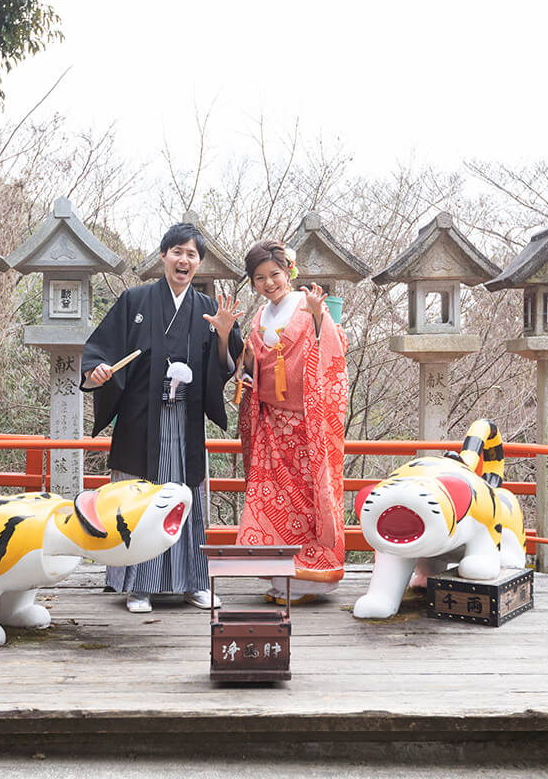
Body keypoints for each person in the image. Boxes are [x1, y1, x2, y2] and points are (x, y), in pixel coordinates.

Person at [81, 222, 242, 613]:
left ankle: (194, 583)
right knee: (142, 499)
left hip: (185, 422)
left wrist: (223, 336)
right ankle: (139, 586)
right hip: (141, 421)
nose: (183, 260)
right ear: (163, 257)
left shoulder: (207, 309)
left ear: (199, 263)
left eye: (191, 254)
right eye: (177, 252)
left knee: (187, 498)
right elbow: (100, 352)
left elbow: (229, 364)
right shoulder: (134, 301)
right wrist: (100, 371)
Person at [235, 239, 348, 603]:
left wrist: (318, 318)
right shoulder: (259, 317)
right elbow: (252, 367)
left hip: (305, 426)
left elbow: (333, 353)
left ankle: (311, 578)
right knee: (269, 502)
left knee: (306, 502)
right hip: (272, 425)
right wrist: (246, 365)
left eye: (275, 275)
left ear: (289, 273)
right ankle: (279, 575)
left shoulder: (306, 304)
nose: (269, 283)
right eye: (259, 278)